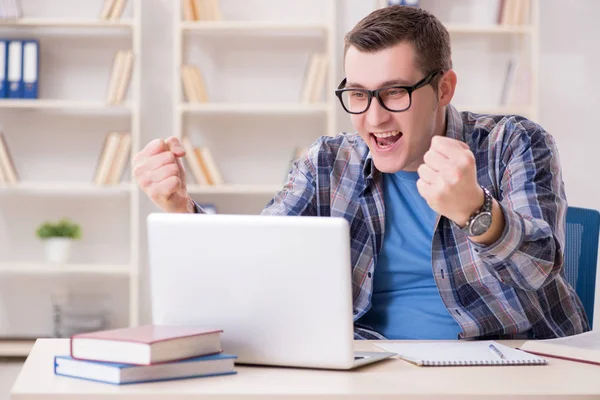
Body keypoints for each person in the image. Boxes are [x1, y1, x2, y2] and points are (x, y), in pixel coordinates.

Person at [132, 6, 589, 340]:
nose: (373, 119)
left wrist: (476, 211)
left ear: (444, 88)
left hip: (510, 367)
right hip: (371, 368)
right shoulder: (328, 164)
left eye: (394, 93)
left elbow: (540, 269)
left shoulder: (514, 142)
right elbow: (256, 263)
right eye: (357, 94)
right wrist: (179, 210)